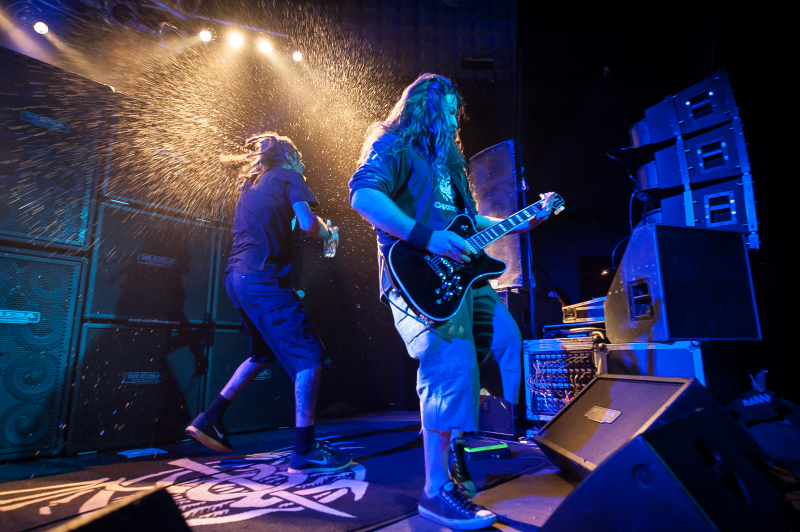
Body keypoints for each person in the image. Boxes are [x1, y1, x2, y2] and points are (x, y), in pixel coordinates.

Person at [349, 74, 552, 529]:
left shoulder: (450, 163)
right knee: (450, 365)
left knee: (506, 339)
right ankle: (435, 491)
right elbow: (362, 195)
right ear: (423, 104)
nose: (452, 116)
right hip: (417, 276)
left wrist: (522, 221)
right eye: (445, 107)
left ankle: (456, 439)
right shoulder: (392, 142)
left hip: (464, 279)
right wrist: (426, 236)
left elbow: (466, 220)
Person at [187, 132, 351, 474]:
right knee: (309, 357)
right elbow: (308, 224)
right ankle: (305, 450)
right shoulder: (290, 176)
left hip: (237, 279)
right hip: (264, 281)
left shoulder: (253, 186)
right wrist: (330, 234)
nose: (305, 164)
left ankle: (209, 418)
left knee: (261, 354)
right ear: (290, 158)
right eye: (301, 158)